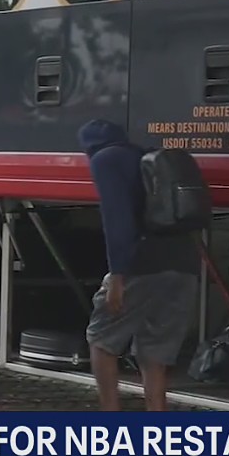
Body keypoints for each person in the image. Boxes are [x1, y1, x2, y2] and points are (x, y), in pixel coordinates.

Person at [78, 119, 199, 412]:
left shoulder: (105, 160)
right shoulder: (146, 156)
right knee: (155, 352)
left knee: (101, 339)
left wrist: (118, 277)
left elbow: (117, 220)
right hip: (185, 262)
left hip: (142, 263)